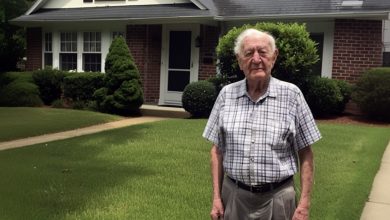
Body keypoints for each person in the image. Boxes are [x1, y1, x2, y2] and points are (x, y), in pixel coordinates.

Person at [203, 28, 321, 220]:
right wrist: (216, 197)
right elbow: (217, 151)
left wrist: (304, 204)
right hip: (234, 197)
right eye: (249, 53)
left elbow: (306, 153)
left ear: (274, 57)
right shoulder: (226, 95)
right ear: (239, 60)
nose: (256, 59)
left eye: (263, 52)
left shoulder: (292, 95)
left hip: (279, 198)